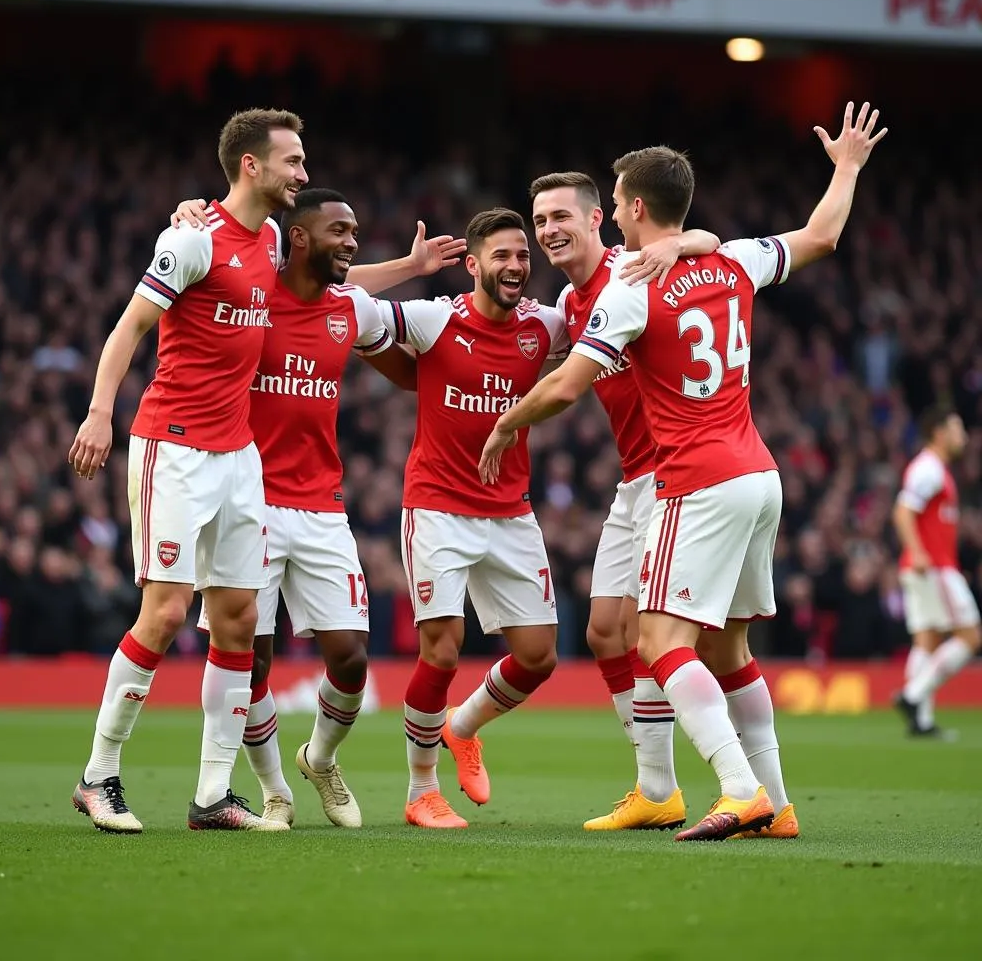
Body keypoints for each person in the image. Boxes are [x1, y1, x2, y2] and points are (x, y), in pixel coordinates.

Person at [481, 102, 887, 840]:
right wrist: (848, 167)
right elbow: (824, 234)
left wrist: (509, 421)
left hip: (694, 480)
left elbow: (570, 384)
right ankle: (779, 804)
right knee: (729, 649)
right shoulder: (729, 258)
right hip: (760, 475)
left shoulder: (629, 288)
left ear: (633, 209)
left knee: (661, 644)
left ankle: (738, 790)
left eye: (615, 204)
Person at [174, 189, 465, 827]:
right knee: (250, 658)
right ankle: (273, 787)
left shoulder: (350, 310)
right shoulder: (250, 298)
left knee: (351, 657)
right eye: (340, 229)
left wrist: (420, 283)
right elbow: (203, 266)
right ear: (297, 239)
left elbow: (408, 354)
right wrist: (188, 213)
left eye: (356, 230)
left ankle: (320, 758)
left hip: (323, 508)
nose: (353, 240)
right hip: (246, 498)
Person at [68, 108, 308, 833]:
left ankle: (212, 796)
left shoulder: (268, 238)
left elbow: (334, 278)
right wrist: (99, 413)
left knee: (237, 619)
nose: (304, 172)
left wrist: (412, 269)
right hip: (173, 446)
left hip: (239, 457)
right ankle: (97, 776)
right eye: (292, 161)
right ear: (250, 166)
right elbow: (129, 327)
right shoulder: (190, 240)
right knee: (167, 610)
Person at [361, 208, 569, 828]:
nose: (515, 267)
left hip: (511, 512)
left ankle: (464, 726)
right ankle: (421, 789)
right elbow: (347, 307)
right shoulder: (434, 319)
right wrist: (410, 268)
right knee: (443, 651)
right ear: (474, 264)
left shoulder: (545, 327)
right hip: (438, 508)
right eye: (501, 256)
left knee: (538, 657)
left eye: (523, 256)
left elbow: (600, 320)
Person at [529, 171, 718, 831]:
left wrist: (683, 239)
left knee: (648, 634)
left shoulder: (631, 269)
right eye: (540, 219)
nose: (550, 229)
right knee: (603, 631)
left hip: (676, 473)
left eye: (562, 216)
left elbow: (707, 238)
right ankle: (653, 783)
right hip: (632, 479)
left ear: (596, 222)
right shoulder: (567, 299)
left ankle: (666, 785)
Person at [893, 406, 981, 736]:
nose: (965, 436)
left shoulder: (934, 469)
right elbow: (902, 511)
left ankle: (921, 721)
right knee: (970, 637)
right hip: (932, 566)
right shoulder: (928, 469)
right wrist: (917, 551)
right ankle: (913, 696)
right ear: (939, 433)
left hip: (927, 566)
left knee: (927, 641)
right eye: (958, 429)